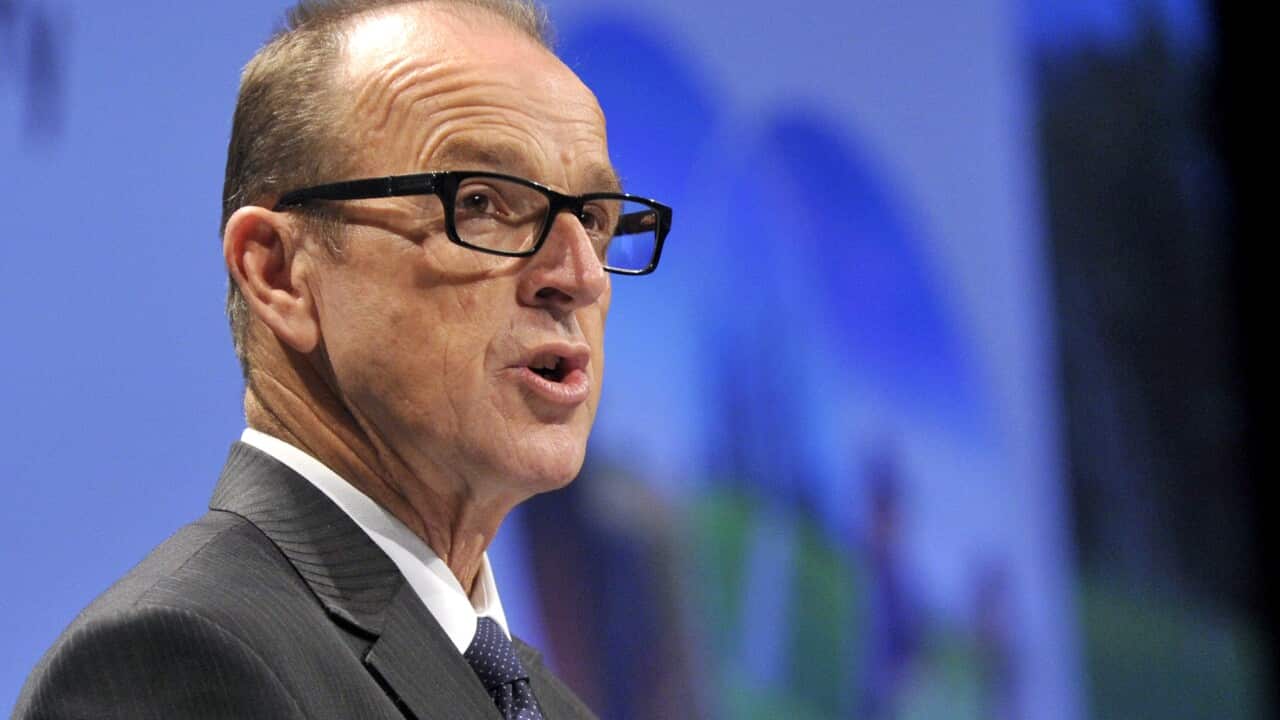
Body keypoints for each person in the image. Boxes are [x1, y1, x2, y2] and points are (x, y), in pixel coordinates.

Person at [14, 0, 671, 717]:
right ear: (277, 271)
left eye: (598, 219)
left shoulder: (554, 707)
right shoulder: (179, 661)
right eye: (482, 201)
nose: (579, 275)